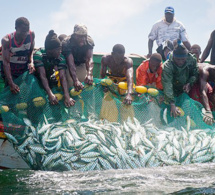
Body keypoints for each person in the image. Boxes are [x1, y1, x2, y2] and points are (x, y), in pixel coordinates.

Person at [34, 30, 75, 107]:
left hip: (49, 77)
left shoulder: (60, 57)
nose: (60, 51)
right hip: (35, 80)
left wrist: (67, 96)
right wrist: (50, 94)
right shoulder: (38, 55)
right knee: (37, 102)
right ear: (50, 51)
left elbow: (62, 76)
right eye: (58, 49)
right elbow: (42, 76)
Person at [162, 40, 198, 117]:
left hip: (185, 90)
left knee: (186, 114)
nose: (180, 62)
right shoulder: (167, 66)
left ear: (186, 57)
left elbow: (195, 74)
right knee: (169, 113)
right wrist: (172, 104)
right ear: (174, 56)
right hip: (171, 90)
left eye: (183, 59)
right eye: (178, 59)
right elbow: (167, 84)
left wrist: (189, 83)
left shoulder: (191, 60)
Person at [1, 17, 35, 94]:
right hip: (11, 73)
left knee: (26, 95)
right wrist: (11, 83)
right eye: (23, 31)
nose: (25, 34)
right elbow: (6, 63)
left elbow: (31, 51)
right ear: (16, 28)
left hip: (23, 71)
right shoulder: (7, 40)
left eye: (27, 31)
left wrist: (31, 62)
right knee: (11, 96)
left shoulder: (31, 35)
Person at [62, 24, 94, 90]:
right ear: (74, 35)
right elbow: (71, 63)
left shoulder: (89, 41)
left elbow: (89, 58)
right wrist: (75, 80)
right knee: (71, 83)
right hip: (68, 65)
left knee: (87, 83)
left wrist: (89, 74)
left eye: (84, 36)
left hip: (82, 64)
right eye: (80, 36)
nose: (83, 39)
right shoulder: (67, 42)